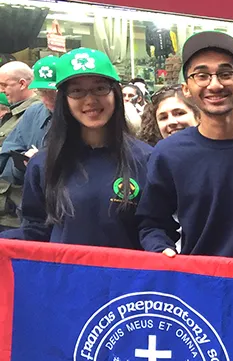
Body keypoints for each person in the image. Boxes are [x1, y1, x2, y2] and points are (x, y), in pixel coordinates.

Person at [137, 31, 233, 260]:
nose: (215, 84)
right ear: (186, 88)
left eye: (225, 73)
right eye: (201, 75)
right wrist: (161, 248)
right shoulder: (169, 154)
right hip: (197, 284)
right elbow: (152, 223)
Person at [0, 48, 150, 247]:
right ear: (65, 100)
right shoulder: (43, 164)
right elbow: (36, 231)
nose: (90, 100)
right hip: (63, 276)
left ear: (115, 93)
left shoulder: (147, 159)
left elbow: (153, 229)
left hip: (128, 277)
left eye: (100, 88)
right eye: (77, 91)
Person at [0, 56, 59, 231]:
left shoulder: (79, 117)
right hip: (29, 213)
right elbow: (6, 159)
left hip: (64, 212)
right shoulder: (34, 113)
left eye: (52, 92)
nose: (46, 98)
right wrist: (24, 164)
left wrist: (43, 161)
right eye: (41, 92)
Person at [0, 61, 37, 146]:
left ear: (22, 84)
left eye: (4, 85)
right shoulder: (17, 110)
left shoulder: (35, 112)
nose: (1, 90)